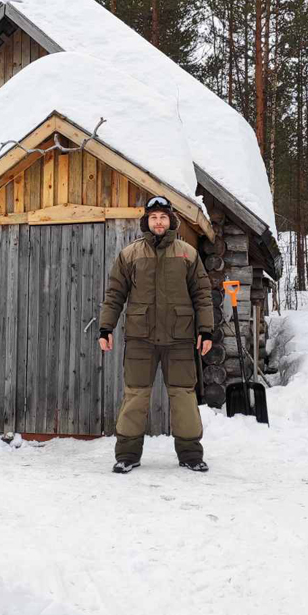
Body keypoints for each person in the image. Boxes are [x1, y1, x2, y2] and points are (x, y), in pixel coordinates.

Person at [98, 195, 214, 473]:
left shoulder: (187, 253)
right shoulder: (130, 254)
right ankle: (127, 454)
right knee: (135, 397)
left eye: (163, 217)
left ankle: (190, 454)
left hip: (180, 339)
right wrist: (106, 327)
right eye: (153, 218)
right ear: (146, 222)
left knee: (184, 397)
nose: (158, 222)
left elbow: (202, 295)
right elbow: (115, 294)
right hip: (141, 339)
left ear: (171, 220)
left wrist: (206, 330)